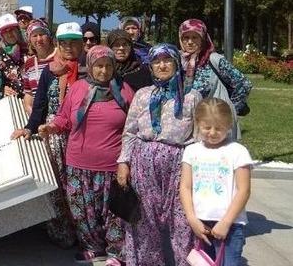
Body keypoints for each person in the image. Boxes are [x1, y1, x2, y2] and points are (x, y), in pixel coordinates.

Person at [39, 46, 135, 265]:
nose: (103, 71)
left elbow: (135, 126)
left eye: (108, 66)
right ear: (90, 66)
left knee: (113, 213)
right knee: (83, 211)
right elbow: (64, 118)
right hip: (78, 163)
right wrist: (51, 127)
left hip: (112, 165)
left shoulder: (125, 90)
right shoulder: (78, 88)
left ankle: (115, 253)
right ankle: (92, 247)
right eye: (99, 66)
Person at [116, 43, 201, 265]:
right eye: (156, 61)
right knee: (144, 220)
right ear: (151, 67)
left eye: (167, 60)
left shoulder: (192, 96)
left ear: (176, 63)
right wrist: (124, 162)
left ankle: (184, 261)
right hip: (144, 164)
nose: (162, 65)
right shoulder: (143, 95)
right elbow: (130, 132)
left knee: (182, 220)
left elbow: (200, 136)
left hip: (180, 165)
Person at [11, 22, 86, 249]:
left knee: (79, 187)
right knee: (57, 185)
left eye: (74, 42)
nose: (69, 47)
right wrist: (29, 128)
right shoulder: (49, 71)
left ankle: (85, 234)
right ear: (59, 44)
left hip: (80, 136)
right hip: (53, 135)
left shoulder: (89, 69)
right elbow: (40, 105)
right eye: (65, 42)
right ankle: (62, 231)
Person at [180, 98, 252, 266]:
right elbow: (185, 186)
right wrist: (192, 218)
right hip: (201, 224)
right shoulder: (191, 151)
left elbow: (244, 191)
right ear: (198, 124)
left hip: (231, 225)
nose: (212, 133)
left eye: (219, 128)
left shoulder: (237, 152)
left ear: (229, 126)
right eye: (207, 127)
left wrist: (226, 222)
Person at [179, 19, 252, 128]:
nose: (190, 42)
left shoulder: (214, 59)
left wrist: (228, 111)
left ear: (203, 38)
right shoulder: (179, 61)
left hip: (218, 124)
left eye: (195, 37)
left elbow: (243, 84)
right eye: (186, 37)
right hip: (192, 124)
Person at [22, 19, 56, 114]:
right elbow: (28, 95)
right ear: (29, 40)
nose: (39, 39)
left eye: (42, 34)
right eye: (34, 36)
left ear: (49, 37)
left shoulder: (60, 56)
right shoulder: (29, 64)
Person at [0, 14, 26, 98]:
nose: (10, 34)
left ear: (18, 31)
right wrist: (2, 88)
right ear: (2, 35)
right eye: (5, 32)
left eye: (12, 30)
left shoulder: (28, 50)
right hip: (10, 102)